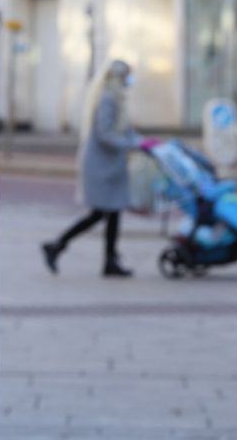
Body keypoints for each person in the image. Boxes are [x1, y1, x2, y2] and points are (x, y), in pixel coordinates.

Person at [41, 59, 157, 277]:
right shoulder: (107, 99)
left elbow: (126, 130)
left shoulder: (117, 100)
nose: (129, 81)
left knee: (112, 212)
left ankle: (109, 260)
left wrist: (144, 142)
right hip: (101, 167)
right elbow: (105, 134)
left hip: (111, 166)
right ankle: (58, 245)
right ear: (117, 78)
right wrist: (135, 145)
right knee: (101, 213)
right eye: (126, 77)